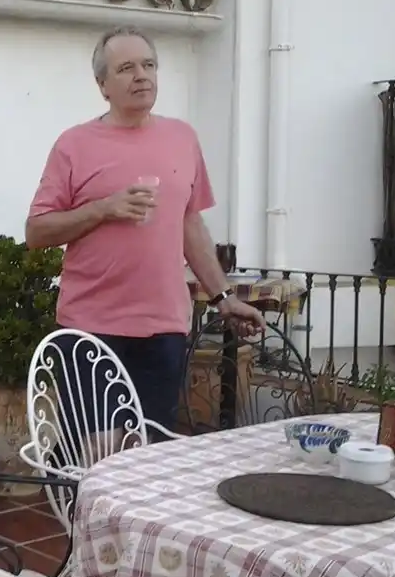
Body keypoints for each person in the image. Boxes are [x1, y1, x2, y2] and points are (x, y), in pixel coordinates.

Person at [25, 25, 264, 438]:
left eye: (149, 65)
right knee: (95, 456)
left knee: (149, 454)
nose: (142, 75)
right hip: (92, 327)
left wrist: (223, 297)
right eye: (126, 68)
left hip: (164, 327)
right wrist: (103, 208)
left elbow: (190, 223)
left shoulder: (182, 138)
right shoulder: (74, 145)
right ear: (103, 85)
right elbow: (37, 231)